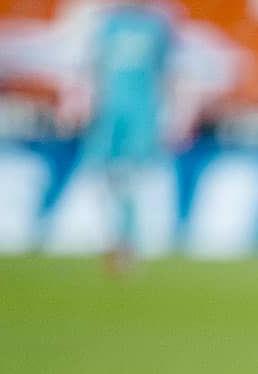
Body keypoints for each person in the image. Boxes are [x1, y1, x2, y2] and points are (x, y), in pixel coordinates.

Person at [78, 0, 177, 273]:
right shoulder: (107, 24)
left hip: (141, 113)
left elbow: (166, 72)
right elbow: (94, 70)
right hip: (108, 112)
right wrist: (85, 104)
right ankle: (113, 240)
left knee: (132, 179)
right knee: (104, 178)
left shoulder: (157, 25)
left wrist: (169, 114)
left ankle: (129, 243)